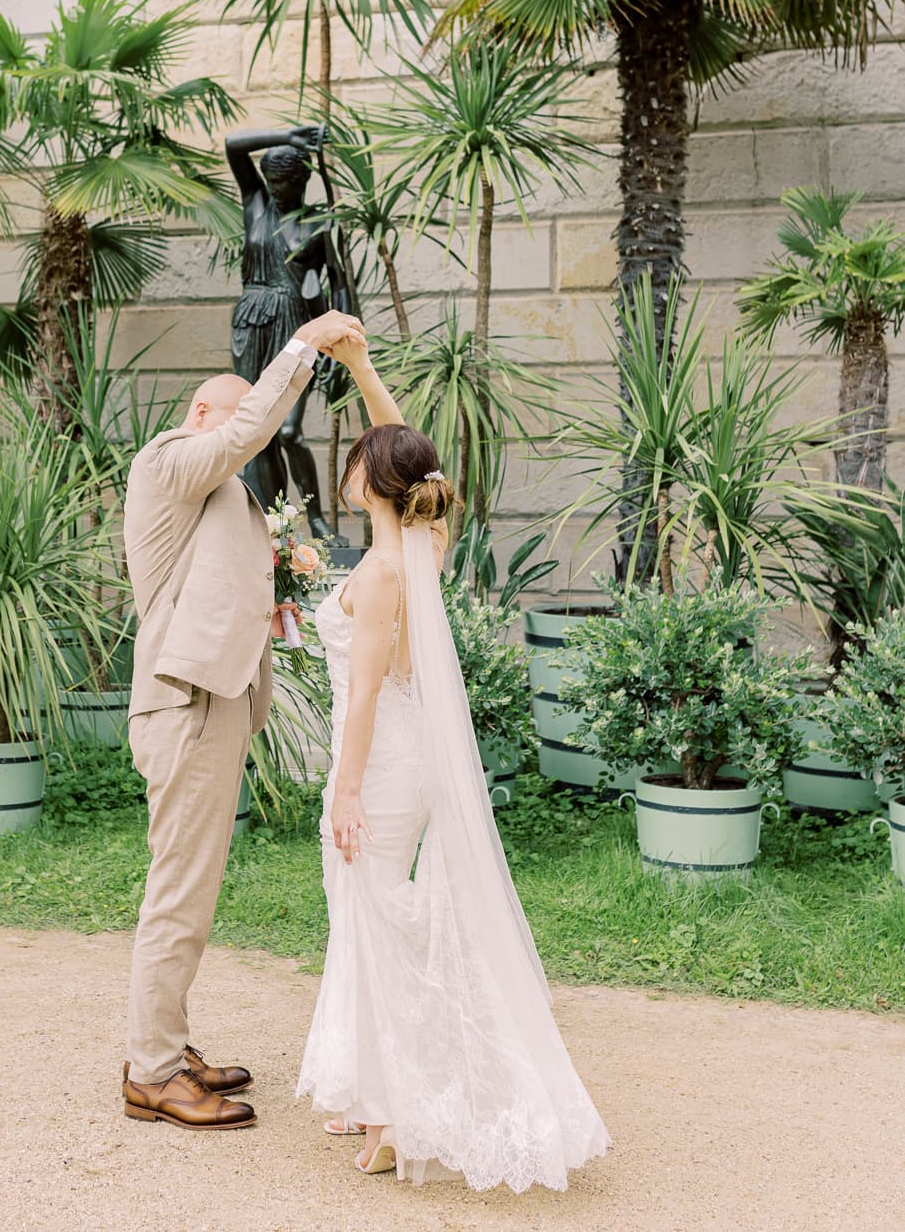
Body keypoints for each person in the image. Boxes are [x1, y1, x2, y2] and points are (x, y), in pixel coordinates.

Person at [297, 337, 610, 1193]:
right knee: (370, 911)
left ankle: (400, 1111)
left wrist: (347, 790)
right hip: (409, 757)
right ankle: (375, 1085)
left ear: (367, 481)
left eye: (360, 455)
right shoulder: (422, 541)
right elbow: (405, 448)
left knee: (373, 915)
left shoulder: (381, 573)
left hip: (380, 762)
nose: (354, 459)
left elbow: (360, 697)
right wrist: (361, 368)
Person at [122, 306, 365, 1131]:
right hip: (184, 705)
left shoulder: (217, 491)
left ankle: (167, 1044)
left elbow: (224, 587)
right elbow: (243, 430)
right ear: (202, 414)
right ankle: (152, 1072)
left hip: (218, 705)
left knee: (193, 890)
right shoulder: (170, 460)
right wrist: (301, 346)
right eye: (238, 415)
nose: (254, 435)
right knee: (178, 895)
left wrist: (276, 612)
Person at [226, 124, 352, 538]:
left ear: (301, 182)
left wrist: (341, 343)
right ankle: (270, 523)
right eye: (272, 181)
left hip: (295, 327)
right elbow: (233, 146)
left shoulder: (319, 224)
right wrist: (287, 136)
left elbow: (339, 284)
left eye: (285, 183)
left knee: (289, 430)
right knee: (254, 431)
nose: (277, 189)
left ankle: (315, 519)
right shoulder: (256, 204)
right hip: (251, 323)